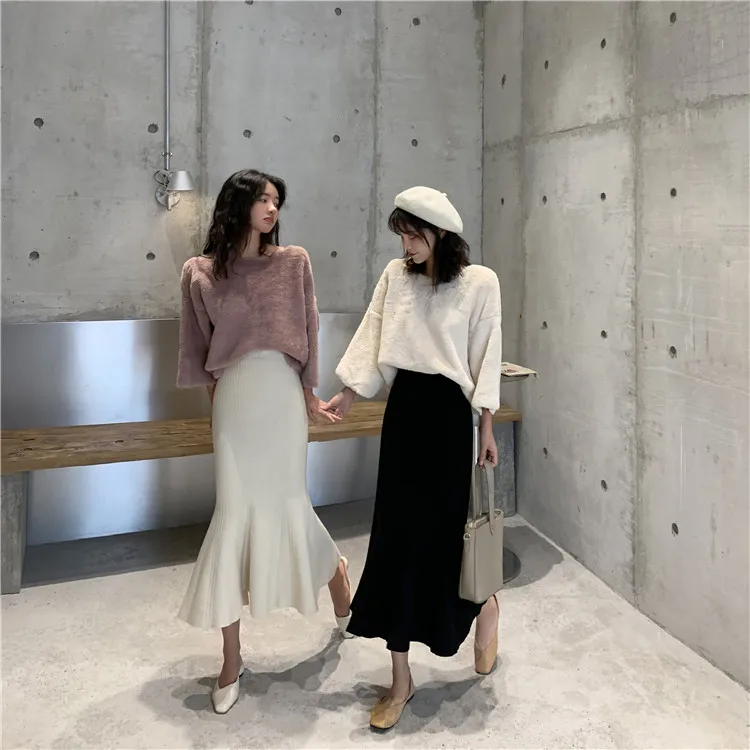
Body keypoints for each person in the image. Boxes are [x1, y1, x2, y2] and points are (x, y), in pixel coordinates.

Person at [324, 186, 503, 731]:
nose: (405, 245)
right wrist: (349, 393)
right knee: (396, 540)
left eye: (413, 235)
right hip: (404, 413)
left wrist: (486, 425)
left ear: (441, 232)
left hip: (448, 418)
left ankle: (484, 605)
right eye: (400, 235)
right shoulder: (395, 276)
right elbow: (372, 332)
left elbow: (486, 351)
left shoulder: (480, 282)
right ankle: (399, 679)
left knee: (445, 539)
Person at [176, 169, 353, 715]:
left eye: (277, 200)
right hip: (234, 400)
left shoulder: (293, 262)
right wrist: (218, 407)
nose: (273, 208)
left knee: (289, 504)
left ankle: (335, 573)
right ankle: (231, 660)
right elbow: (195, 348)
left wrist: (309, 394)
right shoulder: (200, 272)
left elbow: (310, 332)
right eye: (263, 199)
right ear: (238, 205)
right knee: (233, 516)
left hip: (281, 396)